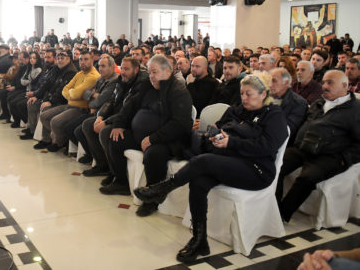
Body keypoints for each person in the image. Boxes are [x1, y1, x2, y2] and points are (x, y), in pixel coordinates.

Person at [135, 72, 287, 263]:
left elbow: (266, 146)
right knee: (198, 181)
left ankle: (163, 188)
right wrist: (214, 136)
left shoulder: (274, 115)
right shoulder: (237, 110)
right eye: (242, 93)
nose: (244, 98)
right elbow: (217, 128)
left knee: (203, 161)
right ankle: (200, 240)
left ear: (263, 94)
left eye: (249, 94)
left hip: (257, 170)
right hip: (228, 162)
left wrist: (231, 142)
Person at [100, 55, 193, 219]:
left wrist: (153, 138)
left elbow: (180, 124)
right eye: (150, 72)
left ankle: (152, 199)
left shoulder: (178, 91)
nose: (151, 76)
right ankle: (121, 181)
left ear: (167, 71)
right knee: (112, 136)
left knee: (154, 154)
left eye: (155, 72)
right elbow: (130, 106)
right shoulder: (148, 86)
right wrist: (119, 124)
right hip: (141, 136)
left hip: (167, 140)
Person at [277, 70, 360, 222]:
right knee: (276, 166)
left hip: (329, 155)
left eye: (330, 83)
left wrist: (344, 159)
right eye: (323, 82)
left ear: (344, 86)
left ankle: (282, 213)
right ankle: (273, 208)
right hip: (303, 148)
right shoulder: (319, 102)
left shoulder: (355, 110)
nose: (324, 86)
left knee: (307, 178)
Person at [40, 51, 99, 152]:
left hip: (80, 108)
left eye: (86, 59)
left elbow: (76, 94)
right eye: (80, 59)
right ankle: (62, 139)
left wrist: (71, 93)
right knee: (44, 116)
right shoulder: (79, 74)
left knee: (55, 121)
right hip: (69, 104)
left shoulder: (93, 76)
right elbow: (65, 89)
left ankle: (59, 143)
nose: (82, 62)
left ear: (92, 60)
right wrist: (72, 94)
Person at [270, 68, 308, 142]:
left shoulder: (299, 103)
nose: (270, 84)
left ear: (286, 83)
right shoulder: (264, 96)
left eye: (274, 81)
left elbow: (286, 130)